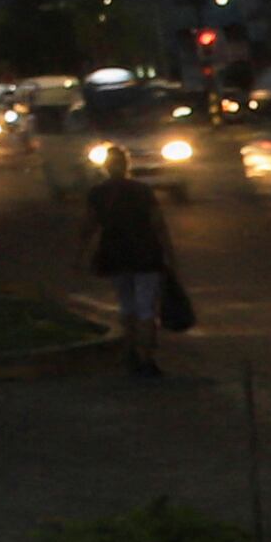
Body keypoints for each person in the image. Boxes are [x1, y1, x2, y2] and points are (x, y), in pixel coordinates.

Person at [81, 155, 179, 377]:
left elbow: (88, 226)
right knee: (146, 309)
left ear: (106, 168)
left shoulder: (98, 193)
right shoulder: (142, 191)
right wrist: (171, 257)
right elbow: (158, 224)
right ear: (127, 166)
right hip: (146, 256)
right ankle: (147, 358)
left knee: (127, 306)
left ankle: (131, 352)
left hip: (115, 256)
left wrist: (79, 258)